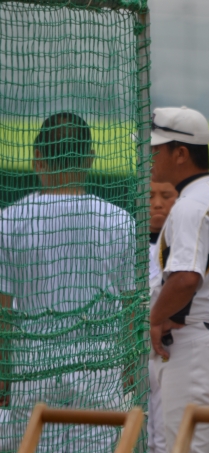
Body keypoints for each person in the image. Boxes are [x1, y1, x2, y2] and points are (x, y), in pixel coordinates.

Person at [0, 112, 135, 451]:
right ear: (90, 157)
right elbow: (132, 307)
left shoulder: (10, 220)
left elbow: (3, 311)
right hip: (99, 369)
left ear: (37, 157)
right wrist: (130, 366)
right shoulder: (119, 221)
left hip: (33, 368)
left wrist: (3, 372)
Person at [149, 106, 209, 453]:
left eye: (157, 149)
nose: (151, 157)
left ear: (181, 153)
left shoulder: (192, 204)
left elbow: (186, 279)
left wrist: (155, 318)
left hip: (196, 350)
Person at [147, 181, 178, 453]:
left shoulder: (186, 243)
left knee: (166, 437)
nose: (157, 203)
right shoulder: (124, 239)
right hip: (132, 351)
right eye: (150, 196)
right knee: (139, 431)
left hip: (172, 349)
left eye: (166, 196)